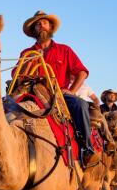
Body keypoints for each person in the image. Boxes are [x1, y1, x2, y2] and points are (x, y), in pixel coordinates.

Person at [12, 10, 97, 167]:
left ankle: (87, 149)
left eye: (44, 22)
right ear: (34, 31)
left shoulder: (64, 50)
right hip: (31, 93)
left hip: (57, 93)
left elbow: (82, 72)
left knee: (80, 105)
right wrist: (29, 61)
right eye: (37, 24)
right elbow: (16, 76)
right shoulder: (26, 52)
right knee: (4, 106)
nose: (41, 25)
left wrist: (72, 91)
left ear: (50, 26)